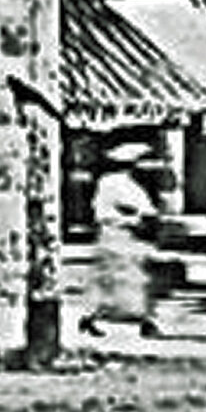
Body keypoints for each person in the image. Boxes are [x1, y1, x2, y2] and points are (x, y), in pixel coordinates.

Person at [81, 142, 161, 337]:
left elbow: (148, 210)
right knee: (122, 281)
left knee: (130, 281)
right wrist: (132, 219)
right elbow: (103, 212)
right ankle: (145, 322)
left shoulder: (129, 184)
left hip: (127, 237)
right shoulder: (115, 184)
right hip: (117, 235)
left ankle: (145, 320)